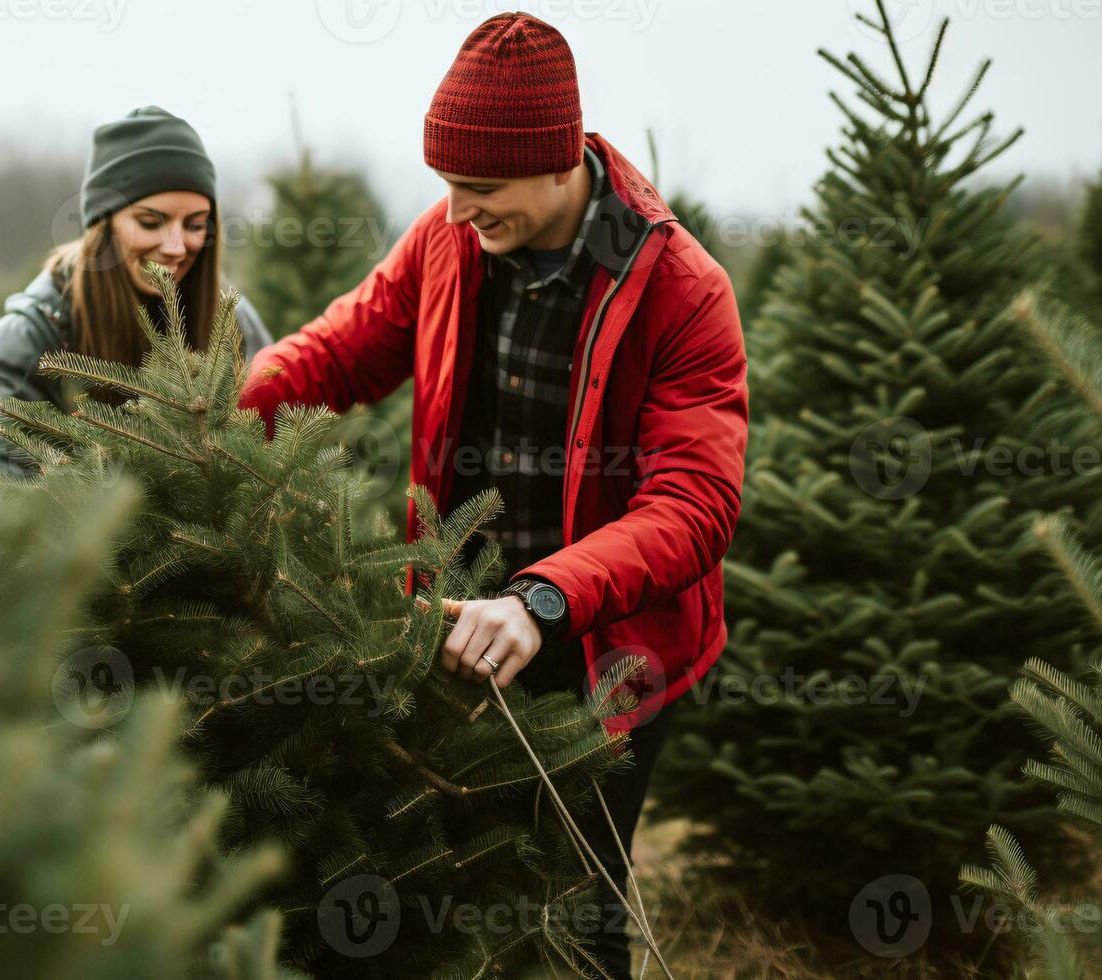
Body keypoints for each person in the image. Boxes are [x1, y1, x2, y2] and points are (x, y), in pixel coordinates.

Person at [236, 14, 748, 977]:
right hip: (456, 624)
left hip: (607, 653)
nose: (456, 208)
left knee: (576, 908)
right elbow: (343, 348)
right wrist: (208, 418)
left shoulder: (681, 288)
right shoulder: (448, 237)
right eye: (445, 186)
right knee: (458, 888)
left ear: (558, 165)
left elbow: (693, 505)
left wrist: (542, 599)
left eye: (480, 188)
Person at [0, 105, 273, 503]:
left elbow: (282, 456)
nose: (175, 247)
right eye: (151, 222)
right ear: (103, 224)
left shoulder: (232, 320)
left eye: (194, 225)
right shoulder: (33, 337)